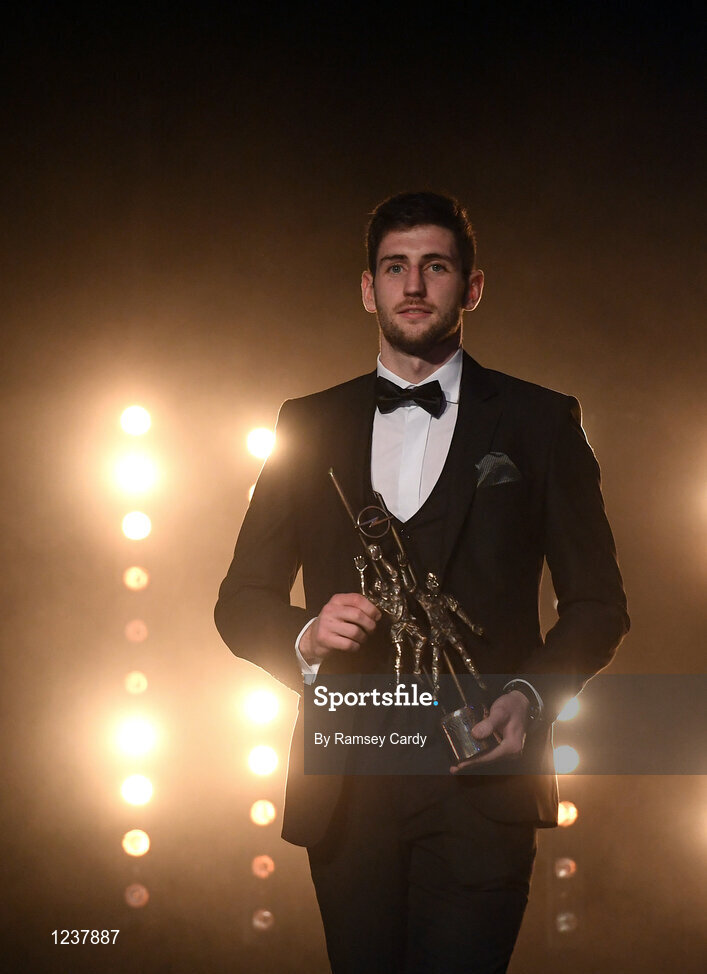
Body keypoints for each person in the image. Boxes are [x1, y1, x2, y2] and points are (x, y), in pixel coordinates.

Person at [215, 192, 629, 973]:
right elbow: (240, 599)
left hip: (482, 781)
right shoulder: (305, 423)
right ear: (367, 288)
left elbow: (598, 606)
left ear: (470, 288)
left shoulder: (541, 423)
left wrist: (527, 698)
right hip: (347, 786)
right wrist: (303, 636)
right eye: (394, 267)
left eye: (434, 267)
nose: (413, 285)